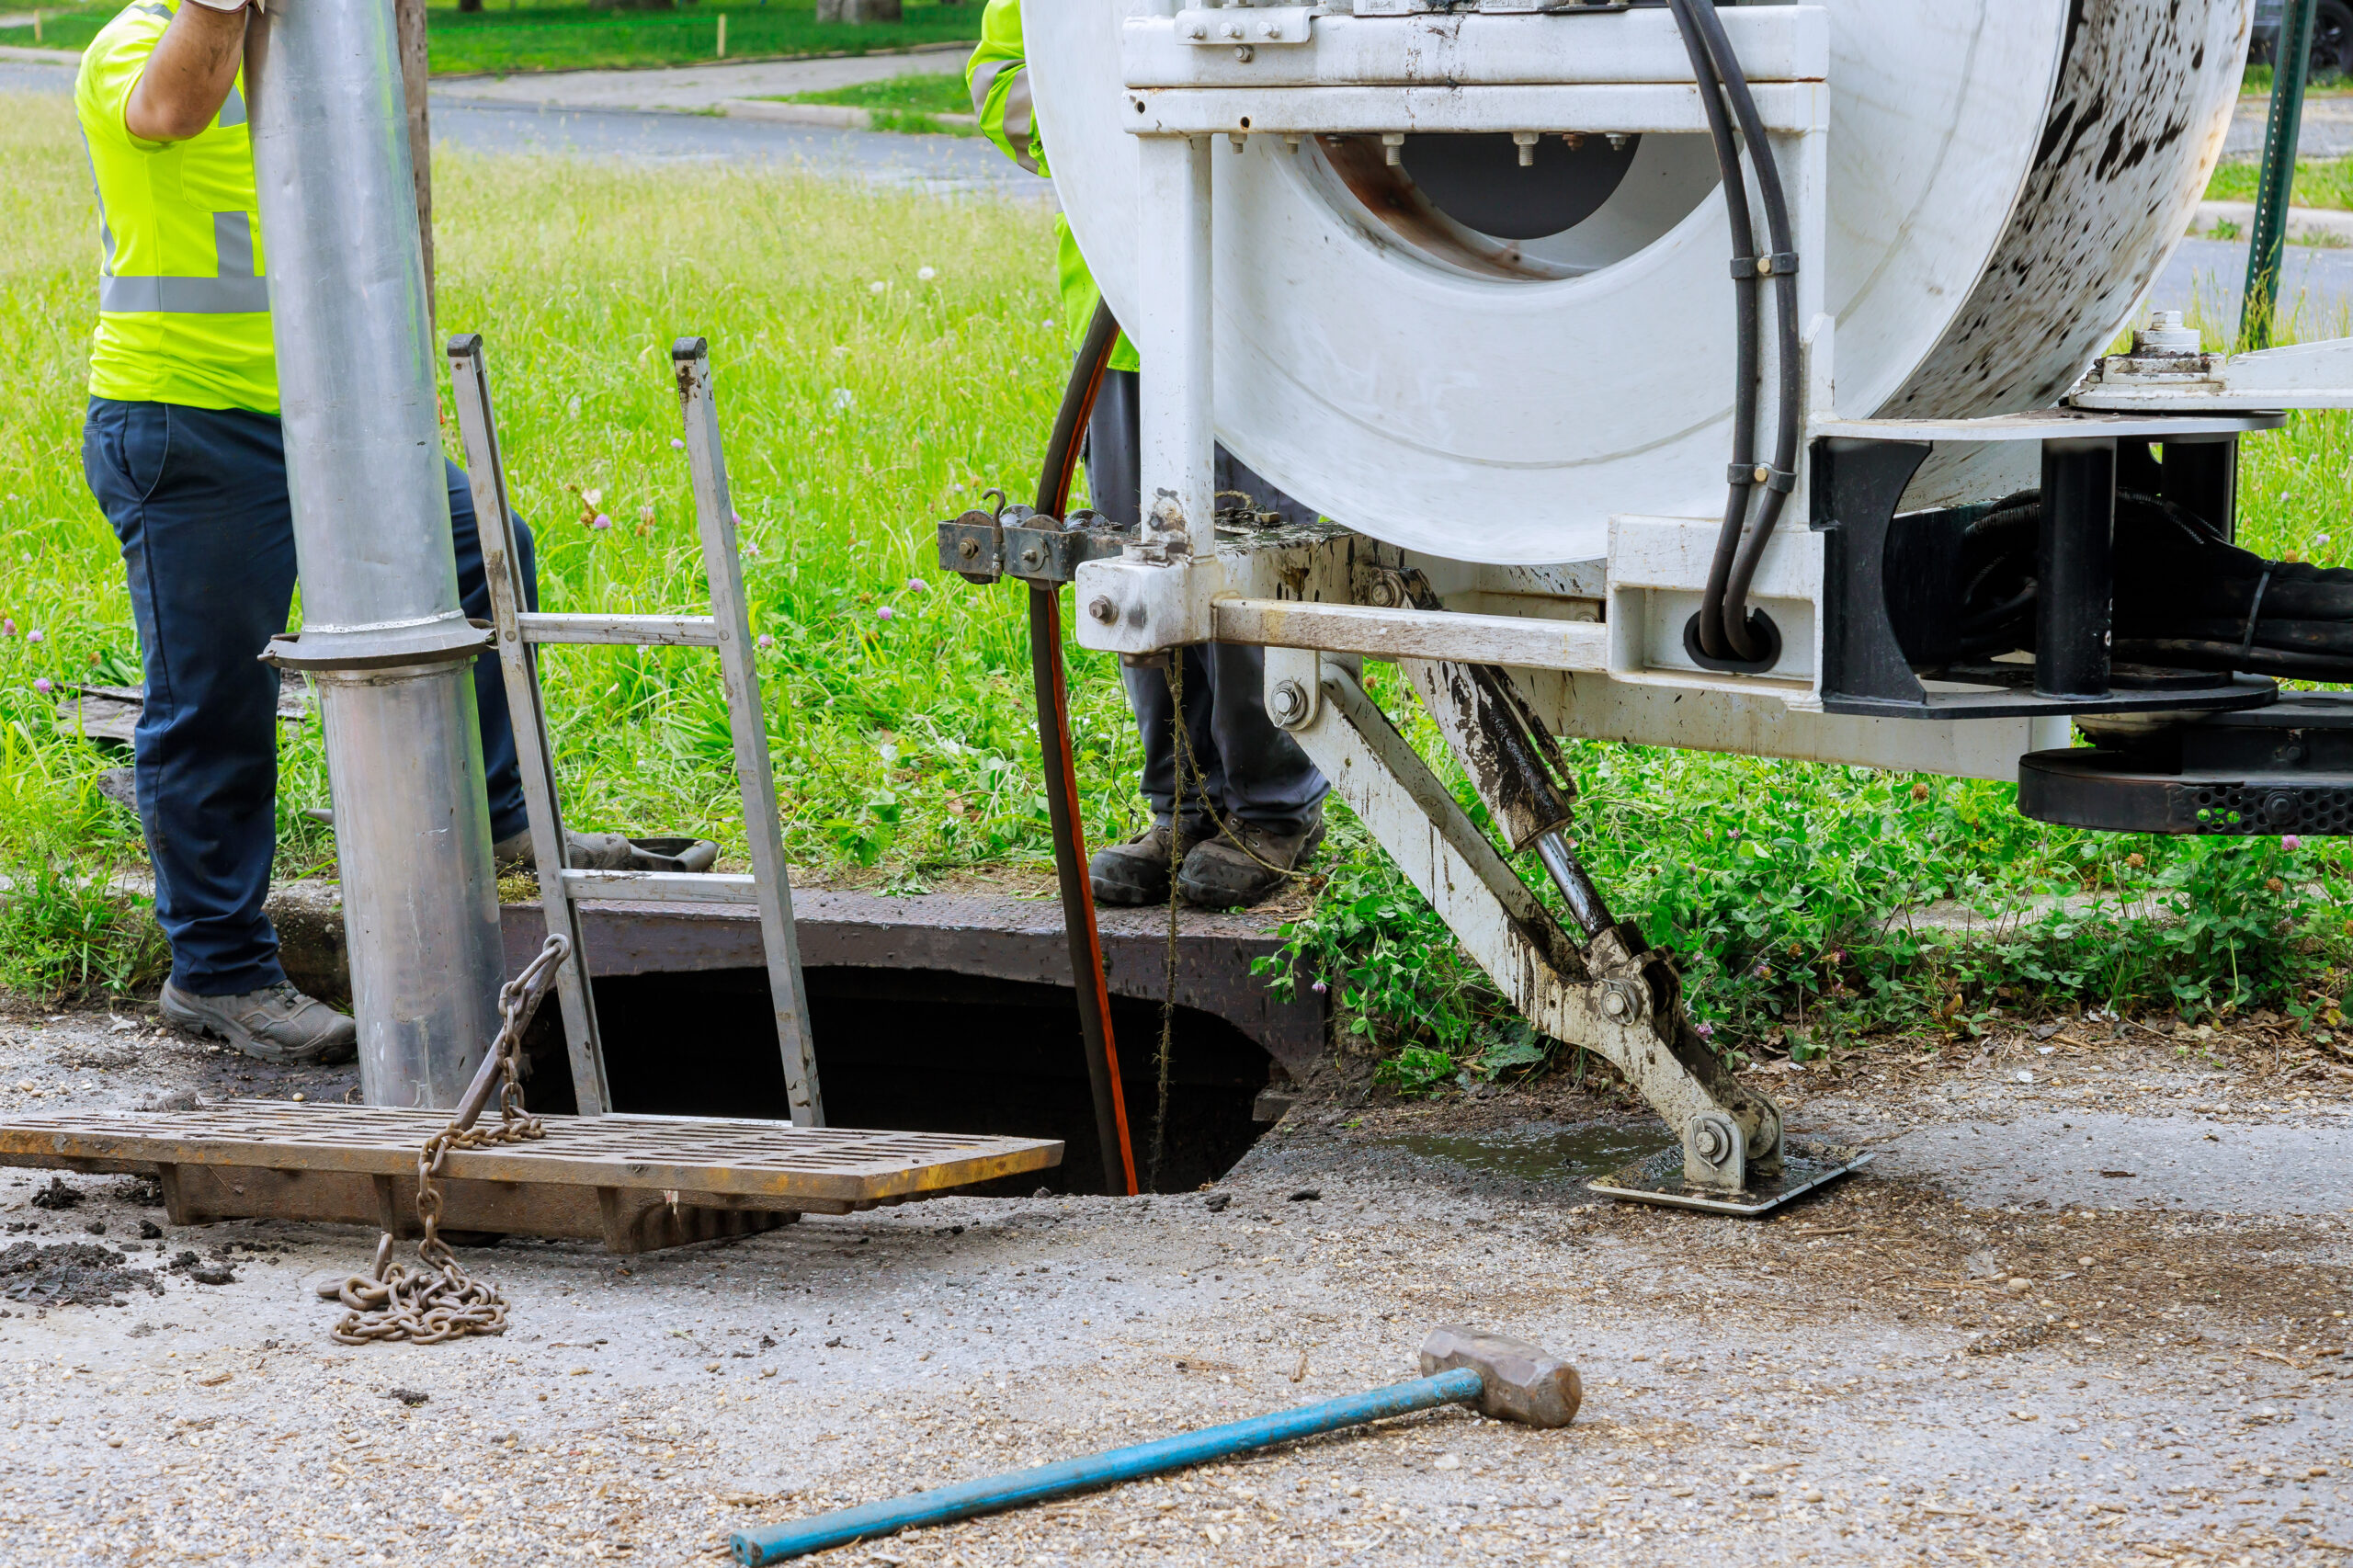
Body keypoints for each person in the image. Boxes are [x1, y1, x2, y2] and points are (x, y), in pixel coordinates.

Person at [76, 0, 576, 1063]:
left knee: (486, 553)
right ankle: (218, 969)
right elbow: (175, 104)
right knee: (214, 696)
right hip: (190, 426)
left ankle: (501, 818)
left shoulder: (305, 59)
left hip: (331, 412)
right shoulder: (131, 44)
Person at [967, 0, 1330, 911]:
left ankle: (1275, 807)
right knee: (1145, 571)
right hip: (1130, 313)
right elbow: (1000, 80)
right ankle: (1183, 803)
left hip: (1280, 313)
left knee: (1261, 569)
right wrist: (1126, 119)